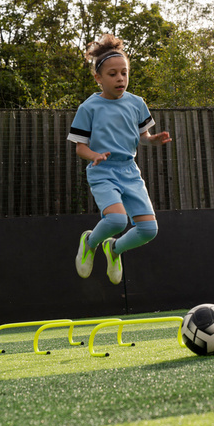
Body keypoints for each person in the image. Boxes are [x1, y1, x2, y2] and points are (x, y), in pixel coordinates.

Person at [67, 33, 171, 284]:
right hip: (102, 170)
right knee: (116, 219)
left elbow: (143, 137)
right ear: (98, 78)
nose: (120, 78)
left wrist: (153, 139)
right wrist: (95, 155)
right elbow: (80, 148)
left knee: (149, 230)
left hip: (129, 172)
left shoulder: (137, 103)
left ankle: (114, 249)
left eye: (123, 73)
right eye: (112, 74)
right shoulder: (88, 108)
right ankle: (90, 242)